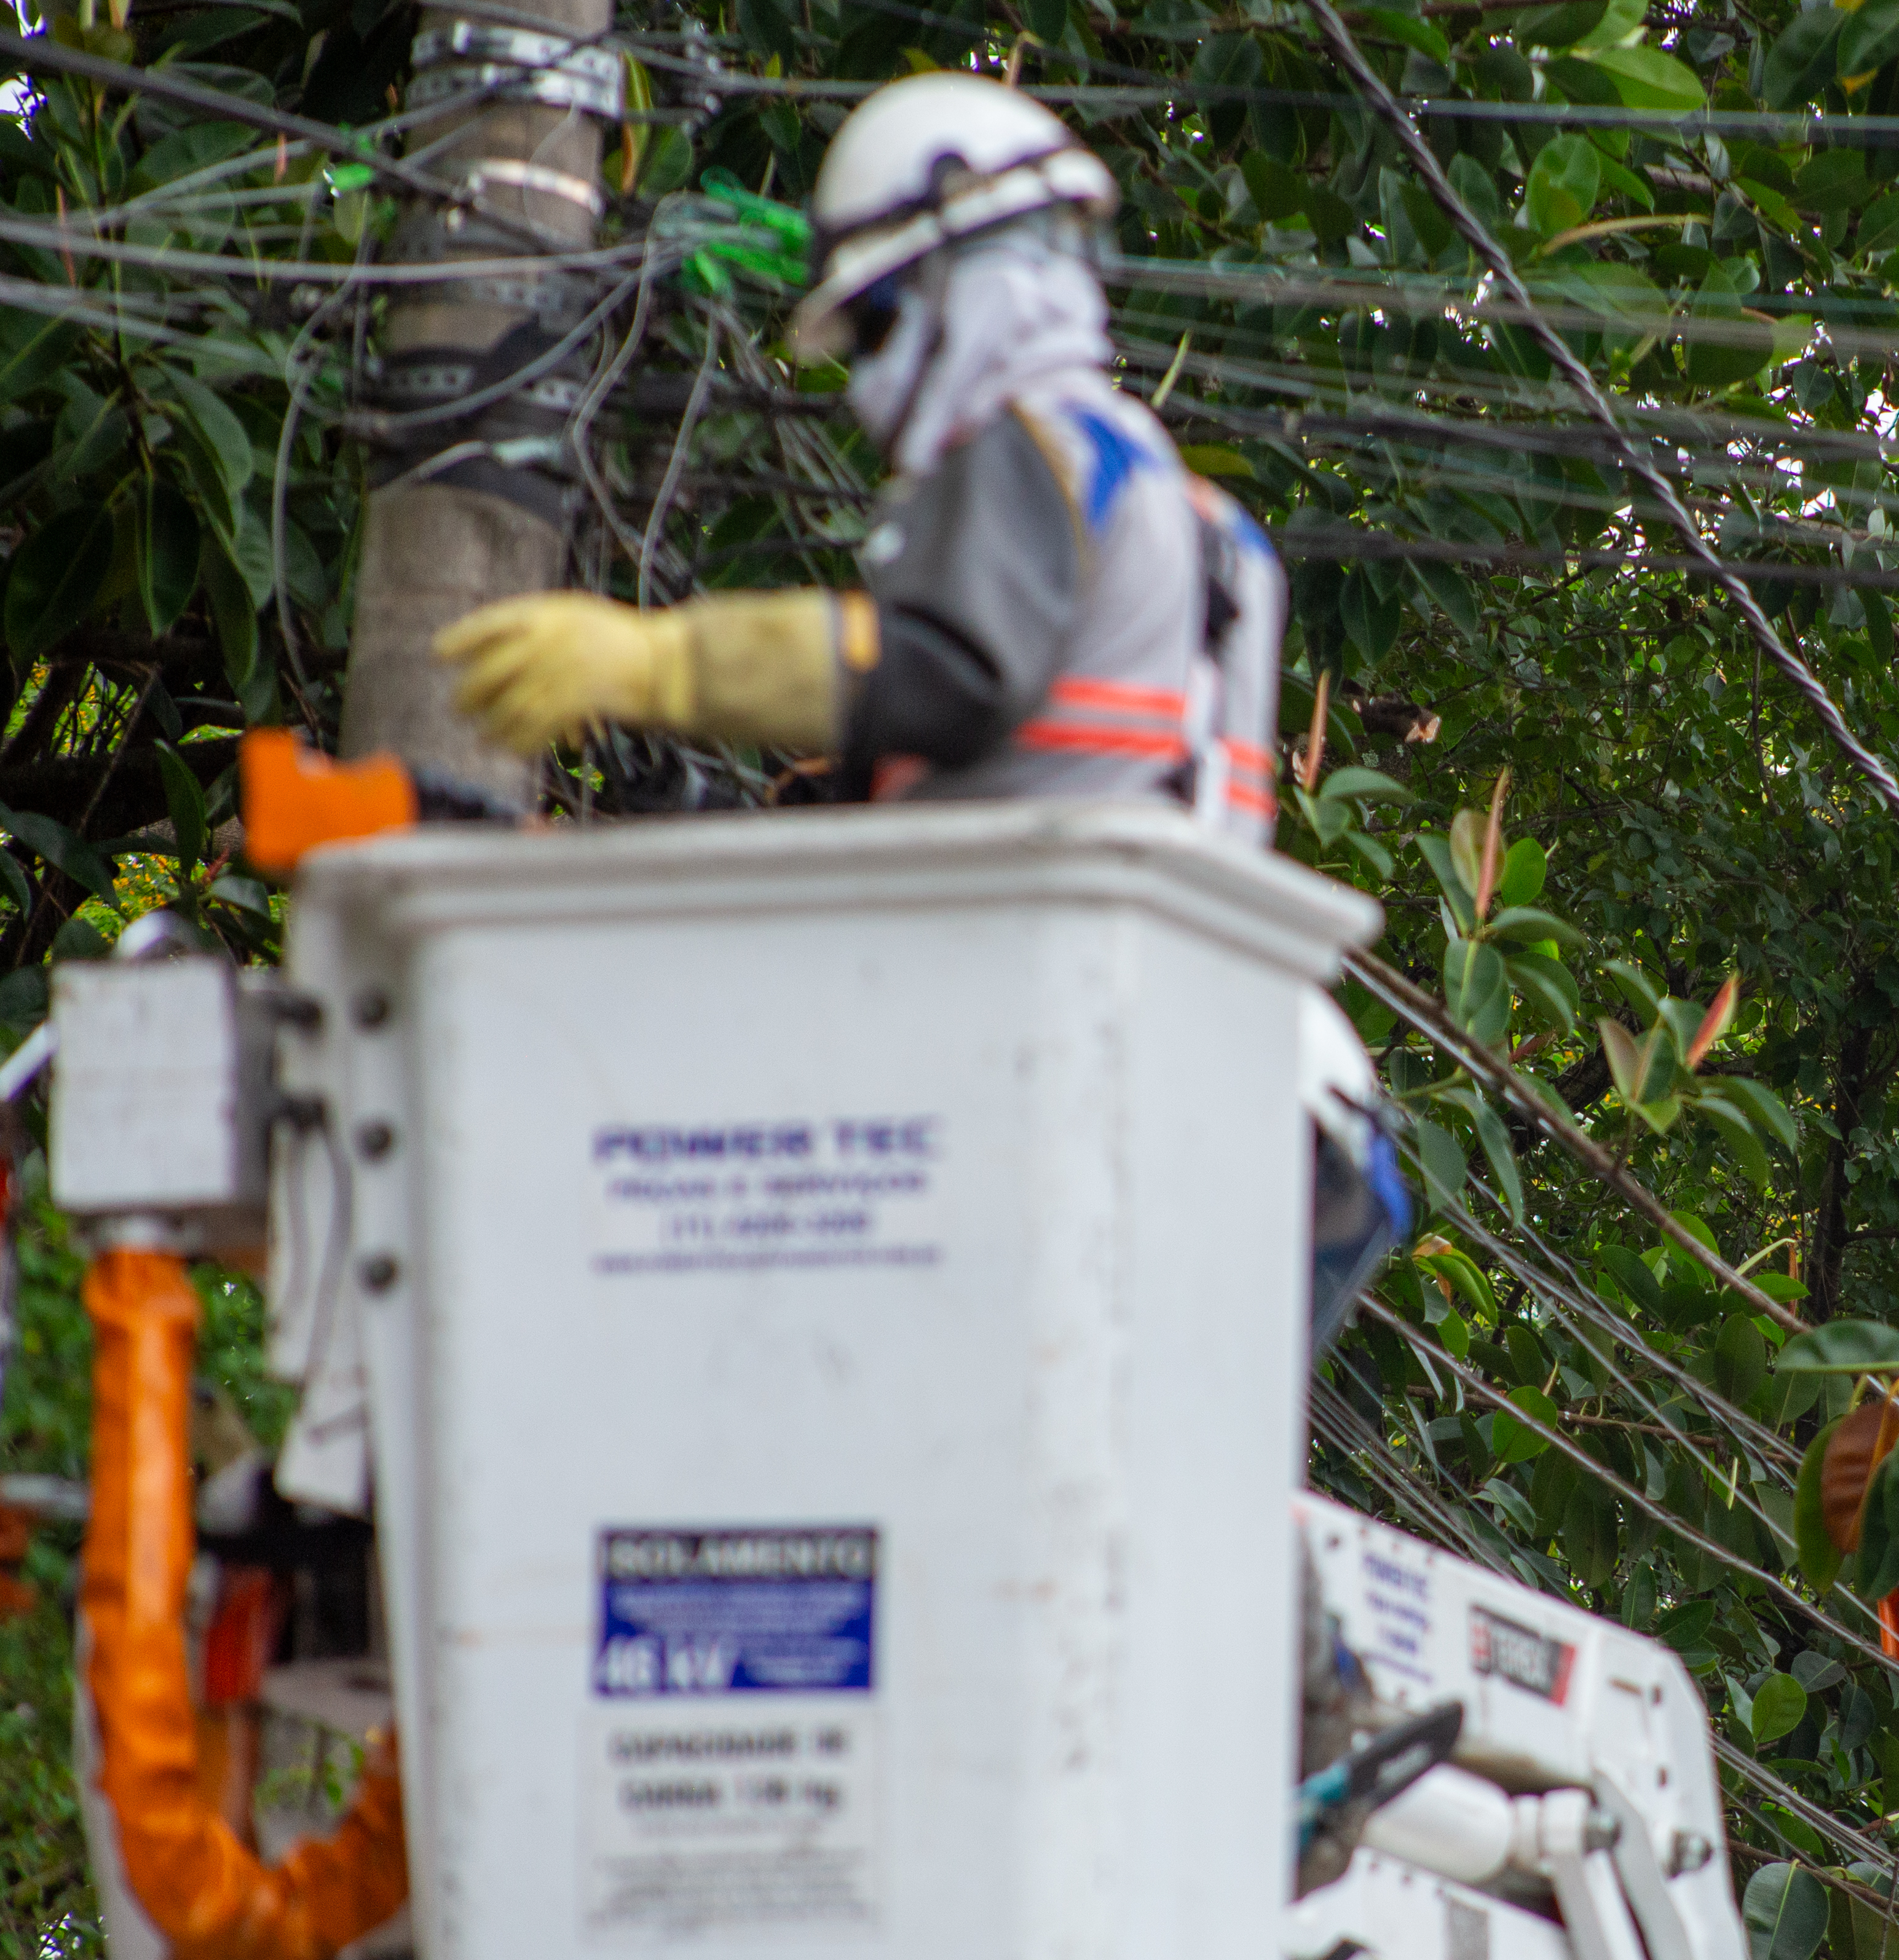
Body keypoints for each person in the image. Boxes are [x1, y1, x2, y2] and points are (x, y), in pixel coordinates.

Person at [433, 72, 1399, 1345]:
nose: (872, 382)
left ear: (963, 275)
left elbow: (943, 671)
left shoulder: (1032, 451)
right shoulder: (1205, 524)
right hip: (1223, 1067)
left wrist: (657, 665)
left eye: (881, 327)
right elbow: (1005, 777)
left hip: (1016, 1035)